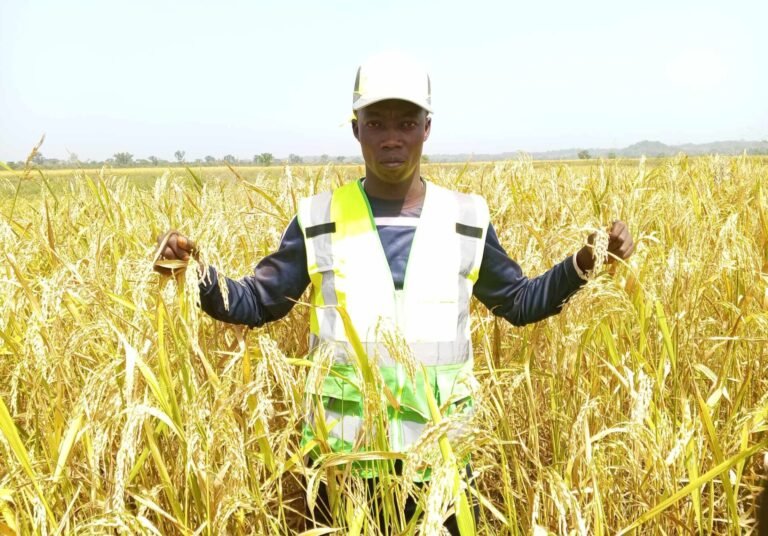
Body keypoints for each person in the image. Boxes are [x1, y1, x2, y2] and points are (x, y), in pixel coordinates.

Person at [154, 51, 635, 533]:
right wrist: (195, 274)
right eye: (376, 122)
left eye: (406, 122)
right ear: (355, 128)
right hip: (343, 466)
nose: (391, 137)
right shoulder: (319, 218)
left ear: (426, 127)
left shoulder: (467, 219)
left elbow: (519, 301)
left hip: (441, 462)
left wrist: (585, 262)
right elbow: (258, 301)